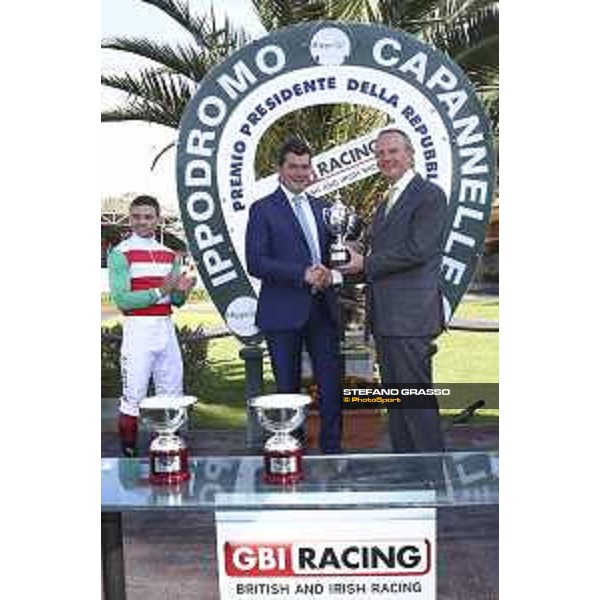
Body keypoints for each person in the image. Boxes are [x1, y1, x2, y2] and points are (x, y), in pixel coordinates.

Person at [340, 129, 447, 453]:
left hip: (410, 317)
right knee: (398, 404)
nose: (387, 158)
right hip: (387, 318)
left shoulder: (429, 194)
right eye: (381, 154)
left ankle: (432, 477)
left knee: (416, 402)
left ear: (410, 154)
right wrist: (353, 250)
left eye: (393, 151)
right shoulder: (388, 198)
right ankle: (407, 469)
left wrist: (364, 262)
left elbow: (418, 249)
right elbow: (387, 248)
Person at [245, 138, 343, 454]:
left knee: (331, 387)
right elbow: (256, 262)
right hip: (282, 312)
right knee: (287, 390)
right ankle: (291, 450)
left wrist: (333, 269)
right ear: (280, 169)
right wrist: (302, 274)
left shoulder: (325, 208)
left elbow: (335, 253)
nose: (300, 173)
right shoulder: (262, 210)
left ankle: (332, 451)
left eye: (305, 166)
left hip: (323, 311)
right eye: (293, 167)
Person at [108, 195, 195, 456]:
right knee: (133, 396)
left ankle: (170, 454)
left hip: (166, 328)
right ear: (129, 218)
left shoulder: (170, 255)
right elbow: (122, 299)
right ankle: (129, 459)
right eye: (136, 216)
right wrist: (161, 290)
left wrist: (184, 290)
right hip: (138, 330)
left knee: (172, 394)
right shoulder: (120, 253)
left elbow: (176, 300)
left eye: (148, 217)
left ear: (158, 220)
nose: (142, 222)